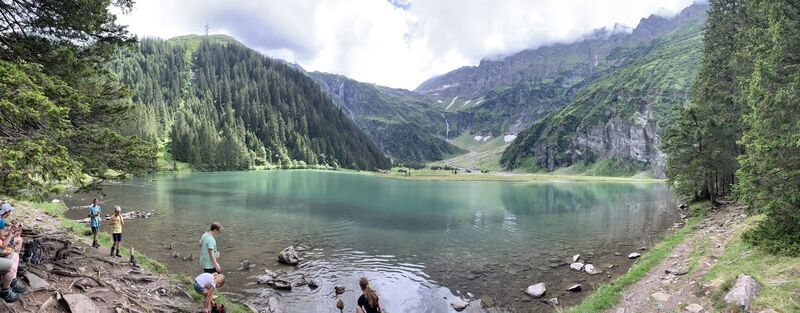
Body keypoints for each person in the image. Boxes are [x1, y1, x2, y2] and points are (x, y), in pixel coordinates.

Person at [0, 203, 26, 303]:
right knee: (12, 266)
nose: (10, 213)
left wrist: (11, 231)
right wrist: (11, 232)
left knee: (14, 255)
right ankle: (5, 291)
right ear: (6, 212)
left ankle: (13, 282)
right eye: (10, 211)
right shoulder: (0, 221)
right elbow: (3, 244)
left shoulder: (1, 221)